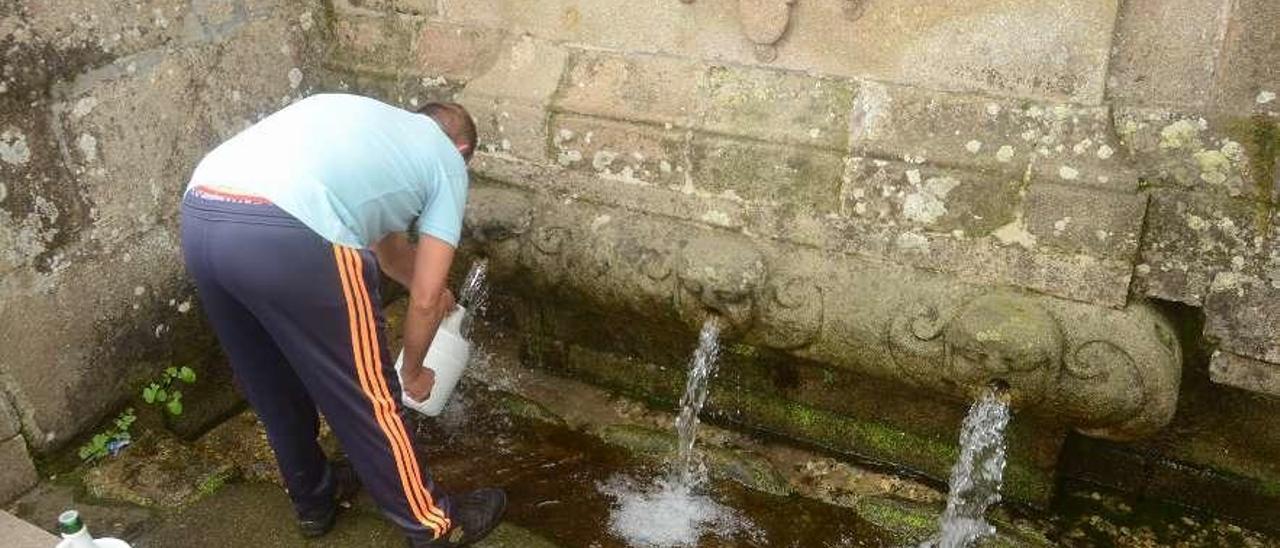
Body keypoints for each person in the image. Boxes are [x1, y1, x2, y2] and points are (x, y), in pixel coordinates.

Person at [178, 93, 504, 547]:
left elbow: (391, 253)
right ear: (464, 150)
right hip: (291, 233)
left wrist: (424, 286)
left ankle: (314, 498)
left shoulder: (371, 132)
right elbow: (427, 300)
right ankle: (434, 524)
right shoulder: (447, 160)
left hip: (202, 215)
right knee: (370, 394)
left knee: (271, 384)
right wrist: (413, 370)